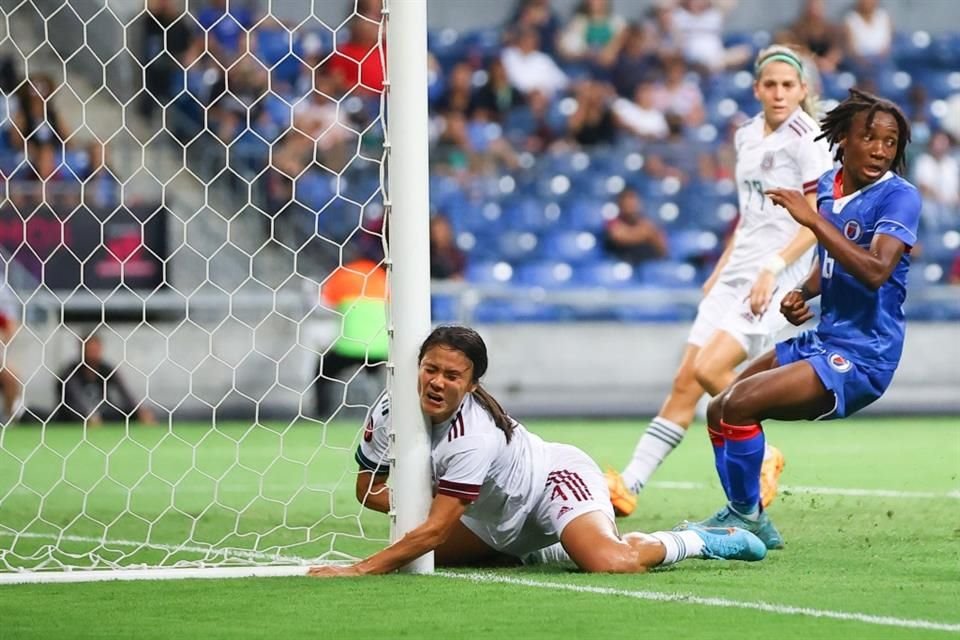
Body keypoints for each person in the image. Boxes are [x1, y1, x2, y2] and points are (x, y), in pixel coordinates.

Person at [307, 325, 765, 578]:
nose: (437, 382)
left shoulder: (474, 434)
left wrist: (360, 570)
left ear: (471, 384)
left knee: (611, 563)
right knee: (417, 555)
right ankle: (545, 547)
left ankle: (700, 540)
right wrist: (415, 501)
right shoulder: (389, 410)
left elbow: (433, 530)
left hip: (552, 484)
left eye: (452, 375)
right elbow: (367, 488)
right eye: (430, 369)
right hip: (493, 517)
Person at [606, 45, 834, 527]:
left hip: (777, 273)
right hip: (738, 271)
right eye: (769, 85)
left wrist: (771, 268)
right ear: (756, 88)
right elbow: (749, 215)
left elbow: (813, 222)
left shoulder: (807, 138)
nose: (778, 93)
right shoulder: (746, 135)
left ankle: (766, 451)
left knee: (712, 370)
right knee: (685, 381)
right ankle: (630, 485)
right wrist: (723, 267)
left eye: (787, 85)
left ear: (803, 90)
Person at [692, 88, 919, 548]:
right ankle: (751, 515)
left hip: (864, 357)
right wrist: (802, 292)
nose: (879, 149)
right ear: (844, 139)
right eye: (869, 137)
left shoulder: (899, 198)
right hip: (824, 339)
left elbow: (875, 270)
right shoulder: (834, 187)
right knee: (719, 407)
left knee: (739, 405)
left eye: (890, 142)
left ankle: (743, 520)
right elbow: (829, 264)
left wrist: (813, 221)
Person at [313, 240, 389, 420]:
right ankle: (384, 415)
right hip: (381, 349)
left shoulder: (344, 274)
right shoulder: (384, 277)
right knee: (379, 379)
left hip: (350, 347)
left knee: (322, 371)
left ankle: (321, 414)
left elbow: (321, 306)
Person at [55, 331, 156, 426]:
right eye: (89, 350)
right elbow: (74, 397)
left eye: (95, 349)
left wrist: (139, 411)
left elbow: (124, 392)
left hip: (103, 412)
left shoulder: (106, 369)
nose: (93, 353)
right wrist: (88, 414)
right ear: (82, 349)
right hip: (76, 414)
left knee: (132, 413)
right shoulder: (70, 371)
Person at [603, 187, 667, 265]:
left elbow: (663, 249)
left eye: (632, 198)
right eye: (625, 199)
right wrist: (646, 232)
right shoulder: (612, 221)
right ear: (619, 202)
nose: (629, 203)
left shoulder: (647, 222)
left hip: (647, 265)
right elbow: (621, 237)